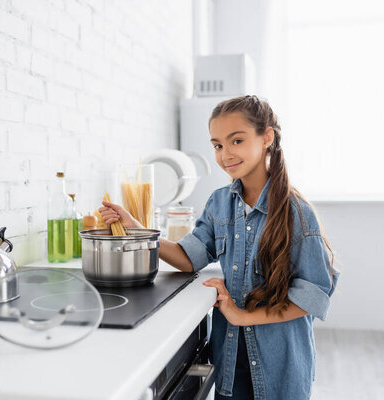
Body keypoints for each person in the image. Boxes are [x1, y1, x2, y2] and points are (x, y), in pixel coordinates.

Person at [98, 95, 340, 400]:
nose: (226, 154)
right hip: (229, 357)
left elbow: (314, 296)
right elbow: (188, 258)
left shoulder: (296, 213)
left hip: (280, 367)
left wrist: (242, 316)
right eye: (217, 145)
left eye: (236, 140)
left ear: (267, 138)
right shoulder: (219, 203)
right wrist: (137, 228)